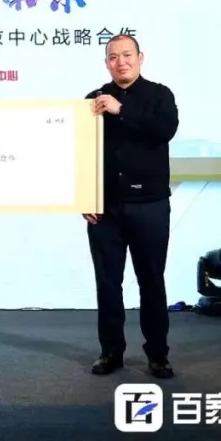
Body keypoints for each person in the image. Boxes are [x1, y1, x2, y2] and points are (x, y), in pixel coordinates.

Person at [83, 34, 178, 379]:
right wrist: (85, 198)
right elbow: (82, 152)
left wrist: (121, 110)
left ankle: (158, 354)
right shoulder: (92, 100)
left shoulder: (159, 95)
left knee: (151, 280)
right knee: (108, 282)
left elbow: (163, 130)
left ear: (140, 58)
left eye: (127, 55)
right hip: (104, 209)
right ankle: (110, 352)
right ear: (106, 63)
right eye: (113, 57)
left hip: (149, 205)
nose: (120, 62)